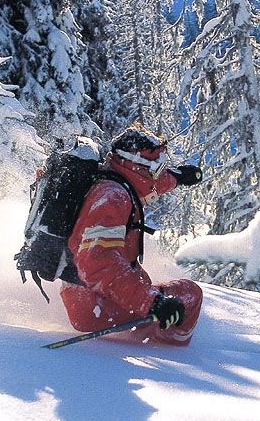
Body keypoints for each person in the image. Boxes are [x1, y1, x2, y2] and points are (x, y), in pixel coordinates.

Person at [60, 124, 203, 346]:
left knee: (143, 279)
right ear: (136, 166)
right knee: (190, 294)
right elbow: (98, 264)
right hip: (93, 305)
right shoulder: (113, 199)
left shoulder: (117, 176)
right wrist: (151, 303)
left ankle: (148, 325)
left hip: (85, 294)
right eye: (156, 168)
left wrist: (177, 177)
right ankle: (168, 352)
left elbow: (152, 183)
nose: (159, 175)